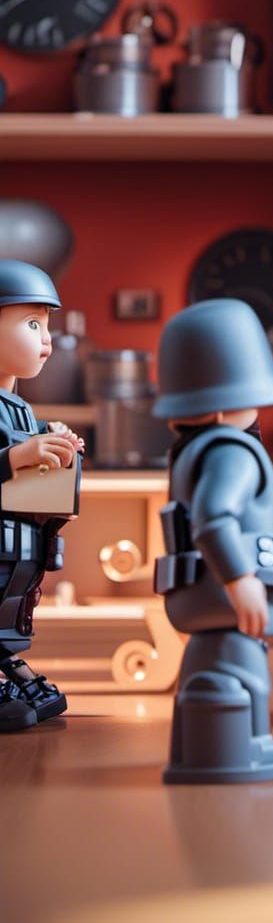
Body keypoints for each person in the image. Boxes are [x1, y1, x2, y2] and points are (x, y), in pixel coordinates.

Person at [153, 299, 273, 783]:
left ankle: (226, 746)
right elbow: (214, 519)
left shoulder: (188, 453)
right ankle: (239, 750)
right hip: (228, 599)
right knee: (244, 676)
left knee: (215, 668)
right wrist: (241, 580)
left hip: (199, 604)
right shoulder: (230, 452)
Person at [0, 260, 83, 731]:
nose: (47, 341)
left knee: (9, 617)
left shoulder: (21, 410)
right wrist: (18, 455)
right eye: (33, 325)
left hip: (18, 548)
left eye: (47, 326)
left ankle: (18, 678)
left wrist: (57, 447)